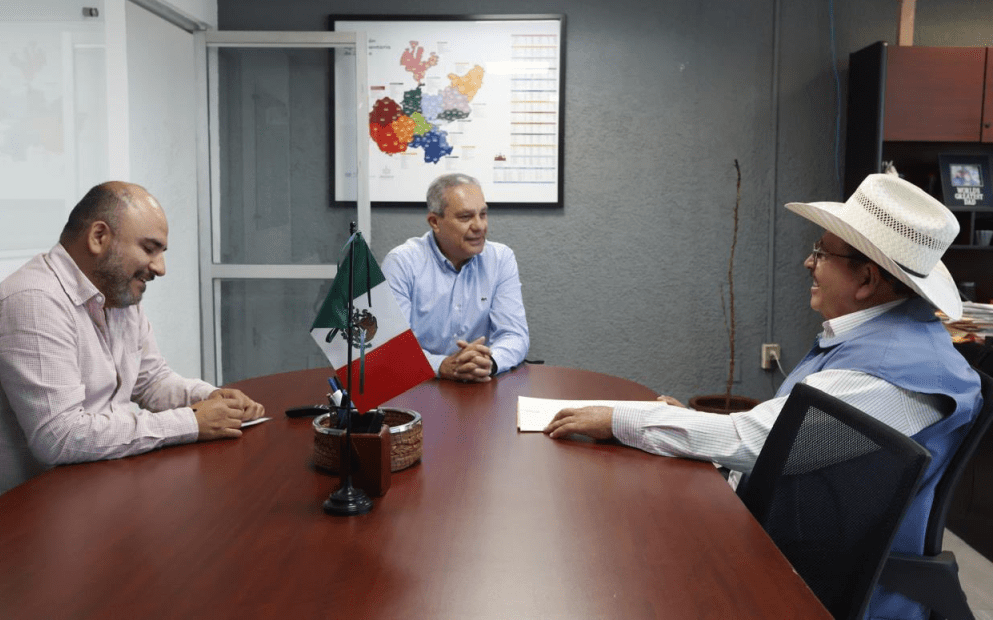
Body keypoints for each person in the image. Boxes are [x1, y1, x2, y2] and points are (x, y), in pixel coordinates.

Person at [544, 174, 982, 620]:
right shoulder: (885, 338)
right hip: (796, 543)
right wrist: (692, 422)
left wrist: (619, 419)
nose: (808, 263)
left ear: (867, 279)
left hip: (818, 583)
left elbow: (762, 443)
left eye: (821, 253)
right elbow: (785, 428)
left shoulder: (891, 372)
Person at [0, 182, 265, 509]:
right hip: (7, 517)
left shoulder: (116, 296)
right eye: (150, 249)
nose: (160, 268)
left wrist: (210, 398)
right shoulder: (32, 303)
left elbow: (152, 381)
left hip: (84, 490)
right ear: (98, 237)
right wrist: (192, 421)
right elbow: (60, 437)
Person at [381, 173, 529, 382]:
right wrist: (441, 365)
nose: (479, 226)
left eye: (483, 214)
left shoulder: (500, 259)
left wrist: (489, 361)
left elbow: (514, 335)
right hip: (419, 384)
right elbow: (392, 348)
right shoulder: (402, 263)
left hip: (479, 384)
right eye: (466, 217)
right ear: (435, 222)